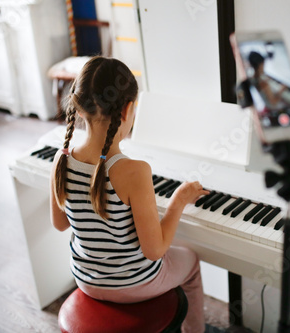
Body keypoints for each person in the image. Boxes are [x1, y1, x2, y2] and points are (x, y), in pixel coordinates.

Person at [49, 56, 209, 333]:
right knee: (191, 261)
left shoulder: (61, 159)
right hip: (135, 285)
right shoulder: (134, 171)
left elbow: (61, 223)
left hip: (86, 280)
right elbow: (155, 250)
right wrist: (178, 200)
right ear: (128, 110)